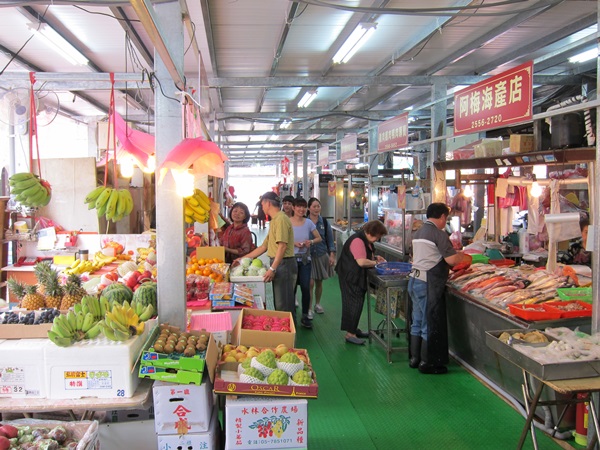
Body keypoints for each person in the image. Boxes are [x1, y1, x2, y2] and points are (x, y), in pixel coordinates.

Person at [408, 203, 471, 374]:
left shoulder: (418, 232)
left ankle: (415, 358)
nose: (446, 221)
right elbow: (451, 261)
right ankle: (429, 363)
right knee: (429, 323)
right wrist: (462, 256)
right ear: (442, 217)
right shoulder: (438, 234)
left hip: (414, 280)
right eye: (446, 218)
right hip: (428, 283)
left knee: (417, 321)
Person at [236, 192, 298, 322]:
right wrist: (242, 260)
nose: (262, 207)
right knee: (280, 303)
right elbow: (263, 247)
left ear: (268, 203)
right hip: (280, 263)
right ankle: (284, 333)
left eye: (262, 204)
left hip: (283, 264)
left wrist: (273, 268)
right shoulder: (275, 220)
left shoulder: (280, 219)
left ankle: (288, 337)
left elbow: (282, 246)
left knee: (284, 305)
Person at [335, 220, 387, 345]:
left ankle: (353, 329)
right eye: (377, 236)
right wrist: (376, 263)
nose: (377, 239)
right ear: (370, 232)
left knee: (357, 303)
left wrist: (375, 258)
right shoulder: (358, 240)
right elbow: (361, 262)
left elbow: (364, 256)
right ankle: (350, 334)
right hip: (351, 277)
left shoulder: (365, 239)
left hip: (354, 275)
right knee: (353, 303)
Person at [290, 197, 322, 328]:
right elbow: (280, 239)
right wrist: (293, 243)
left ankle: (305, 315)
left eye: (303, 207)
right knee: (291, 289)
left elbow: (318, 237)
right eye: (298, 206)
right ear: (293, 208)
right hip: (290, 259)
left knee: (305, 287)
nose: (301, 209)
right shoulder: (287, 222)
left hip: (305, 260)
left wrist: (311, 242)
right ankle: (291, 316)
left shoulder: (308, 223)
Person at [308, 197, 335, 316]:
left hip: (321, 254)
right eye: (314, 206)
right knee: (310, 283)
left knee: (319, 282)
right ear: (309, 208)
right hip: (307, 256)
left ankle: (317, 304)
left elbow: (329, 239)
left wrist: (332, 255)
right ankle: (309, 307)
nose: (316, 208)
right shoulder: (304, 221)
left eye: (318, 206)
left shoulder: (324, 222)